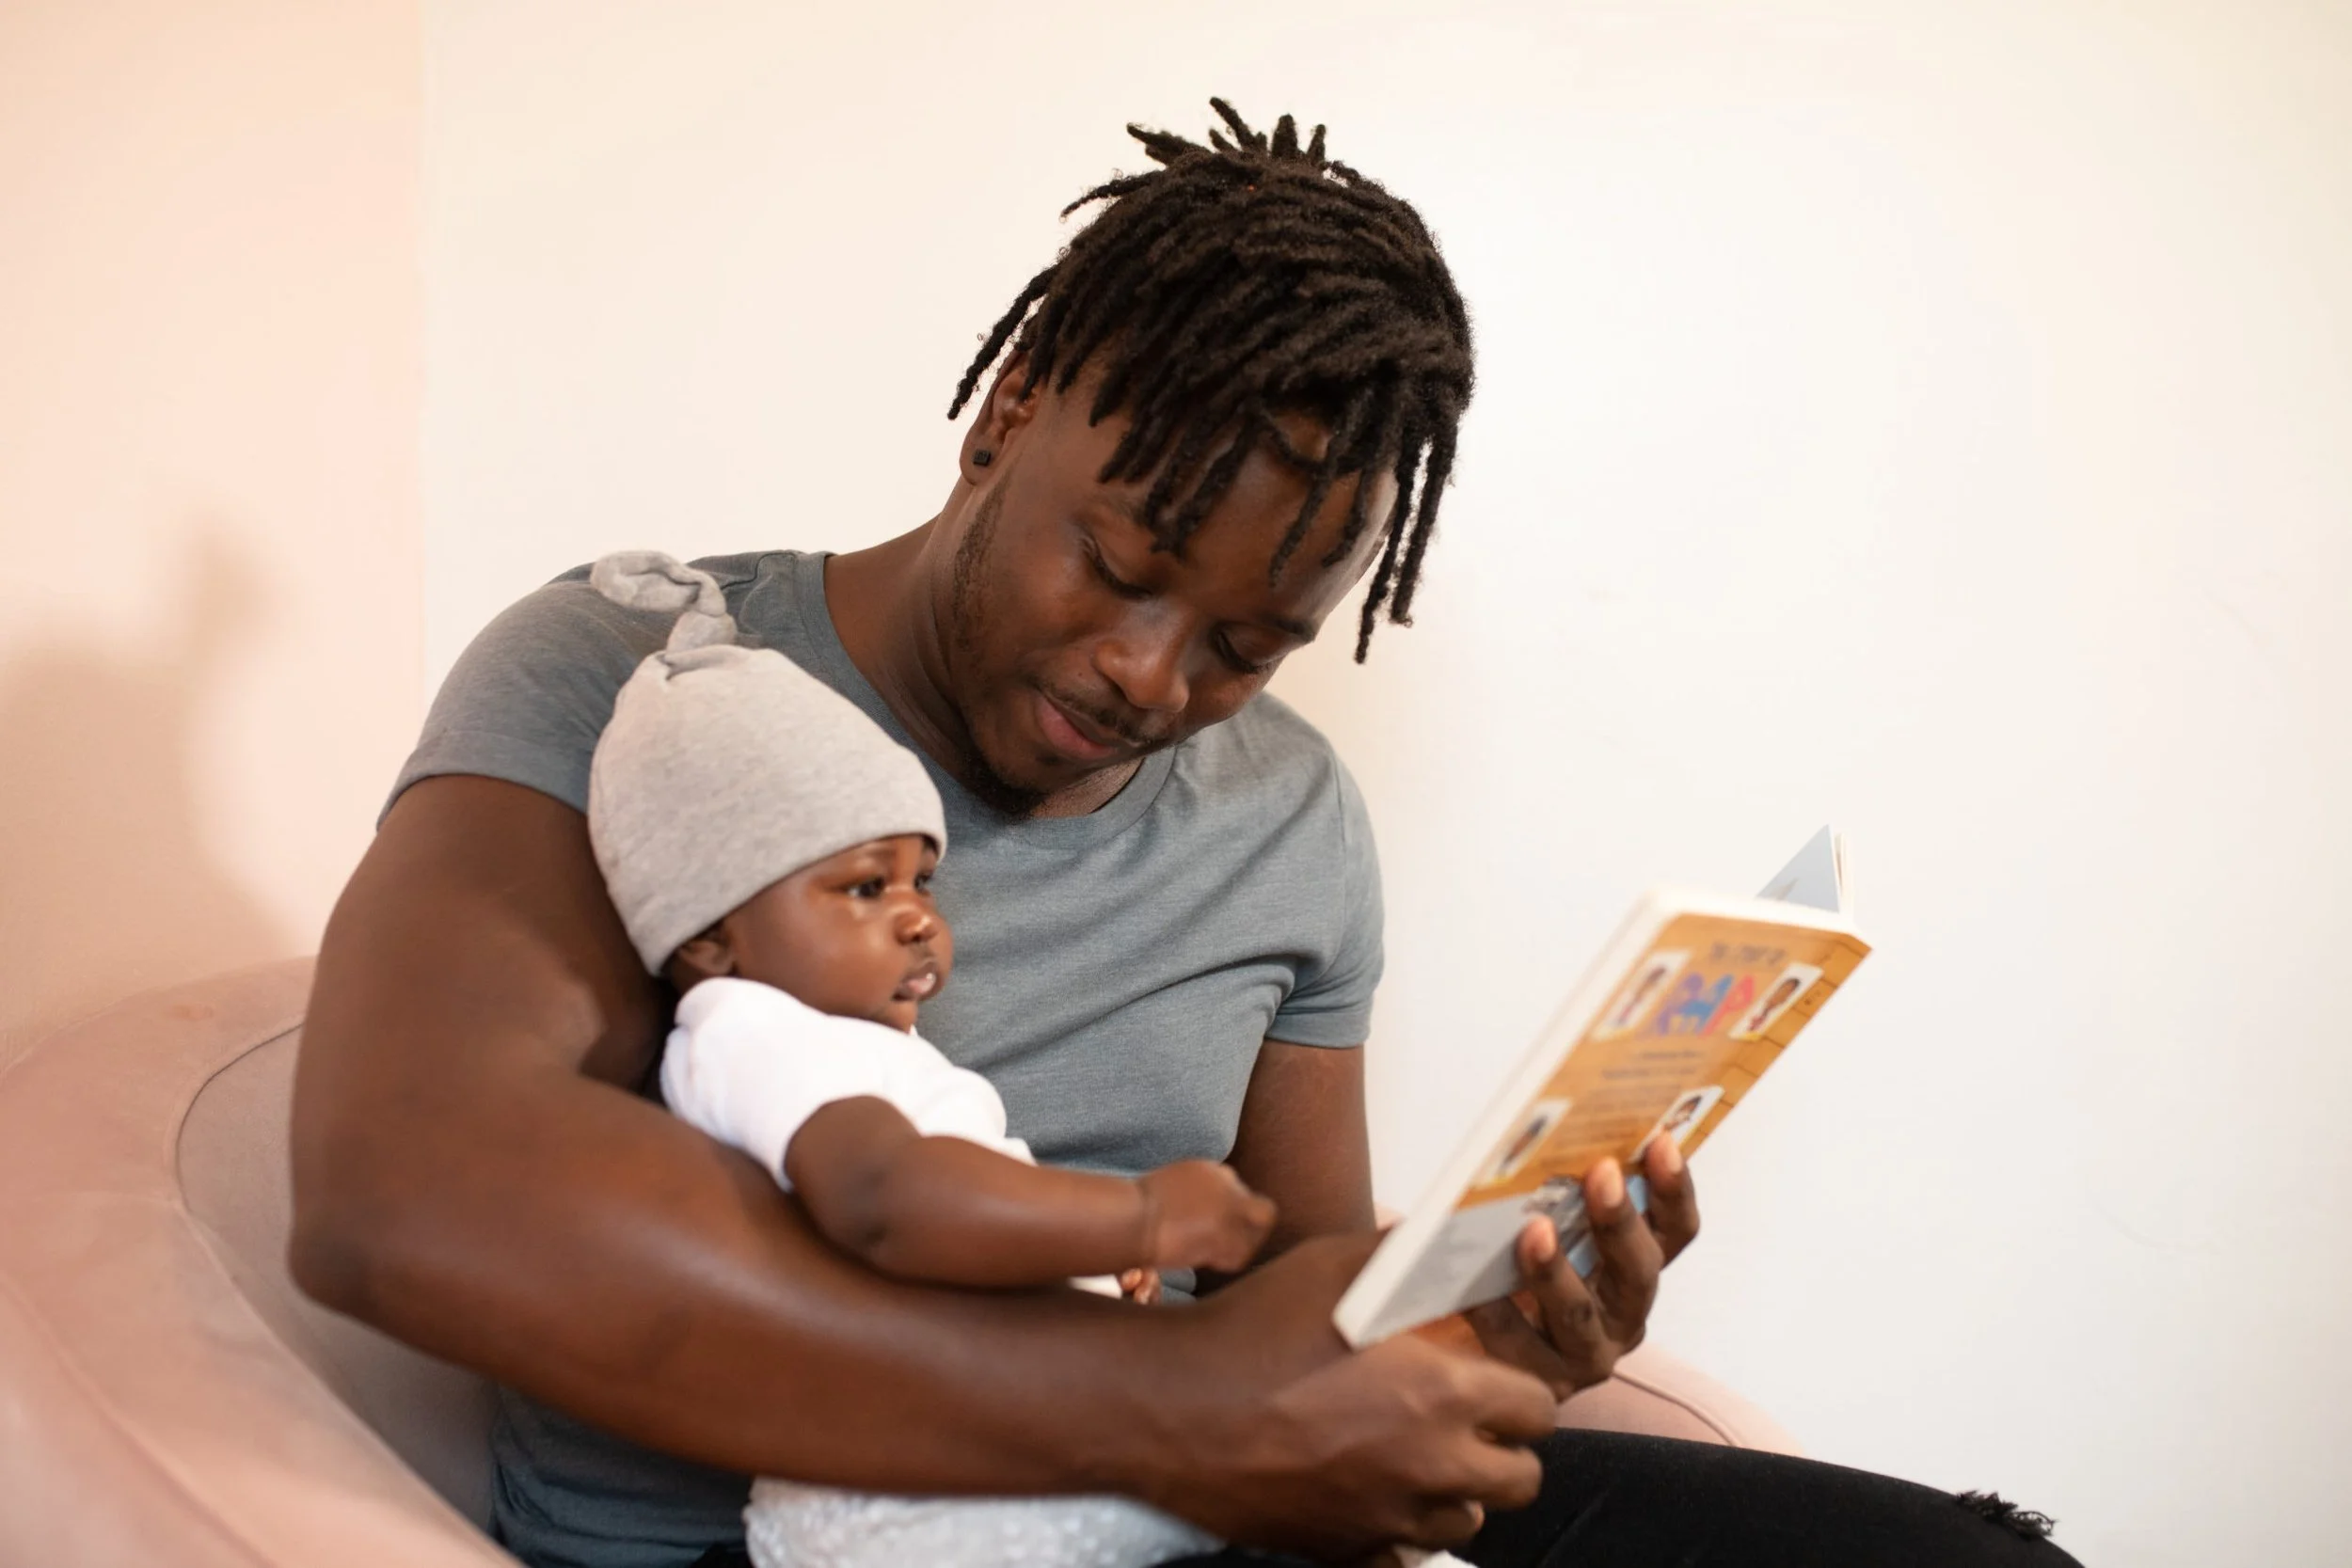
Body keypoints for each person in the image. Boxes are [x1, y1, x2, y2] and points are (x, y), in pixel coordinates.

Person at [291, 101, 2079, 1567]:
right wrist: (1167, 1408)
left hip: (1175, 1506)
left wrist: (1505, 1327)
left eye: (1247, 643)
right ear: (1008, 414)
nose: (1151, 675)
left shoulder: (1289, 815)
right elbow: (405, 1184)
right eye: (1120, 564)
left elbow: (1299, 1281)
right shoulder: (648, 675)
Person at [582, 548, 1267, 1566]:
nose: (917, 919)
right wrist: (1133, 1214)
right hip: (891, 1500)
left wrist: (1078, 1257)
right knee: (1280, 1478)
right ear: (710, 935)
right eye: (867, 887)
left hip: (948, 1462)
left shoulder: (851, 1044)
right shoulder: (750, 1033)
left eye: (924, 882)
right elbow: (885, 1198)